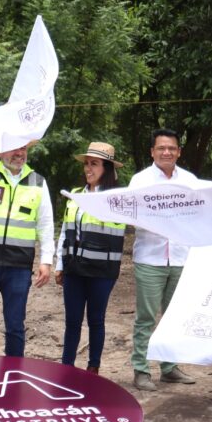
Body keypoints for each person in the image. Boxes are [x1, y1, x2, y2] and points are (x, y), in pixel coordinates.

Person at [0, 137, 55, 357]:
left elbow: (45, 224)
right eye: (13, 147)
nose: (19, 153)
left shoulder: (37, 182)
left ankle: (13, 374)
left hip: (18, 268)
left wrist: (46, 261)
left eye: (23, 147)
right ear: (0, 151)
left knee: (15, 326)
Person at [129, 128, 197, 391]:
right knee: (146, 317)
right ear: (152, 152)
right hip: (150, 258)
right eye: (161, 148)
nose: (166, 152)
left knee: (174, 317)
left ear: (179, 151)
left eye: (171, 148)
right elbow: (133, 214)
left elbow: (199, 214)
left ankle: (169, 368)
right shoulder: (140, 181)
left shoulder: (190, 180)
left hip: (181, 257)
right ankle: (141, 370)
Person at [55, 142, 125, 373]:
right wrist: (59, 264)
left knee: (96, 320)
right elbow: (65, 232)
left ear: (106, 168)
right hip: (75, 269)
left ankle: (93, 367)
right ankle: (67, 367)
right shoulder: (74, 196)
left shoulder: (118, 199)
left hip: (102, 272)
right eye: (86, 164)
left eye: (94, 164)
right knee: (72, 321)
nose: (88, 169)